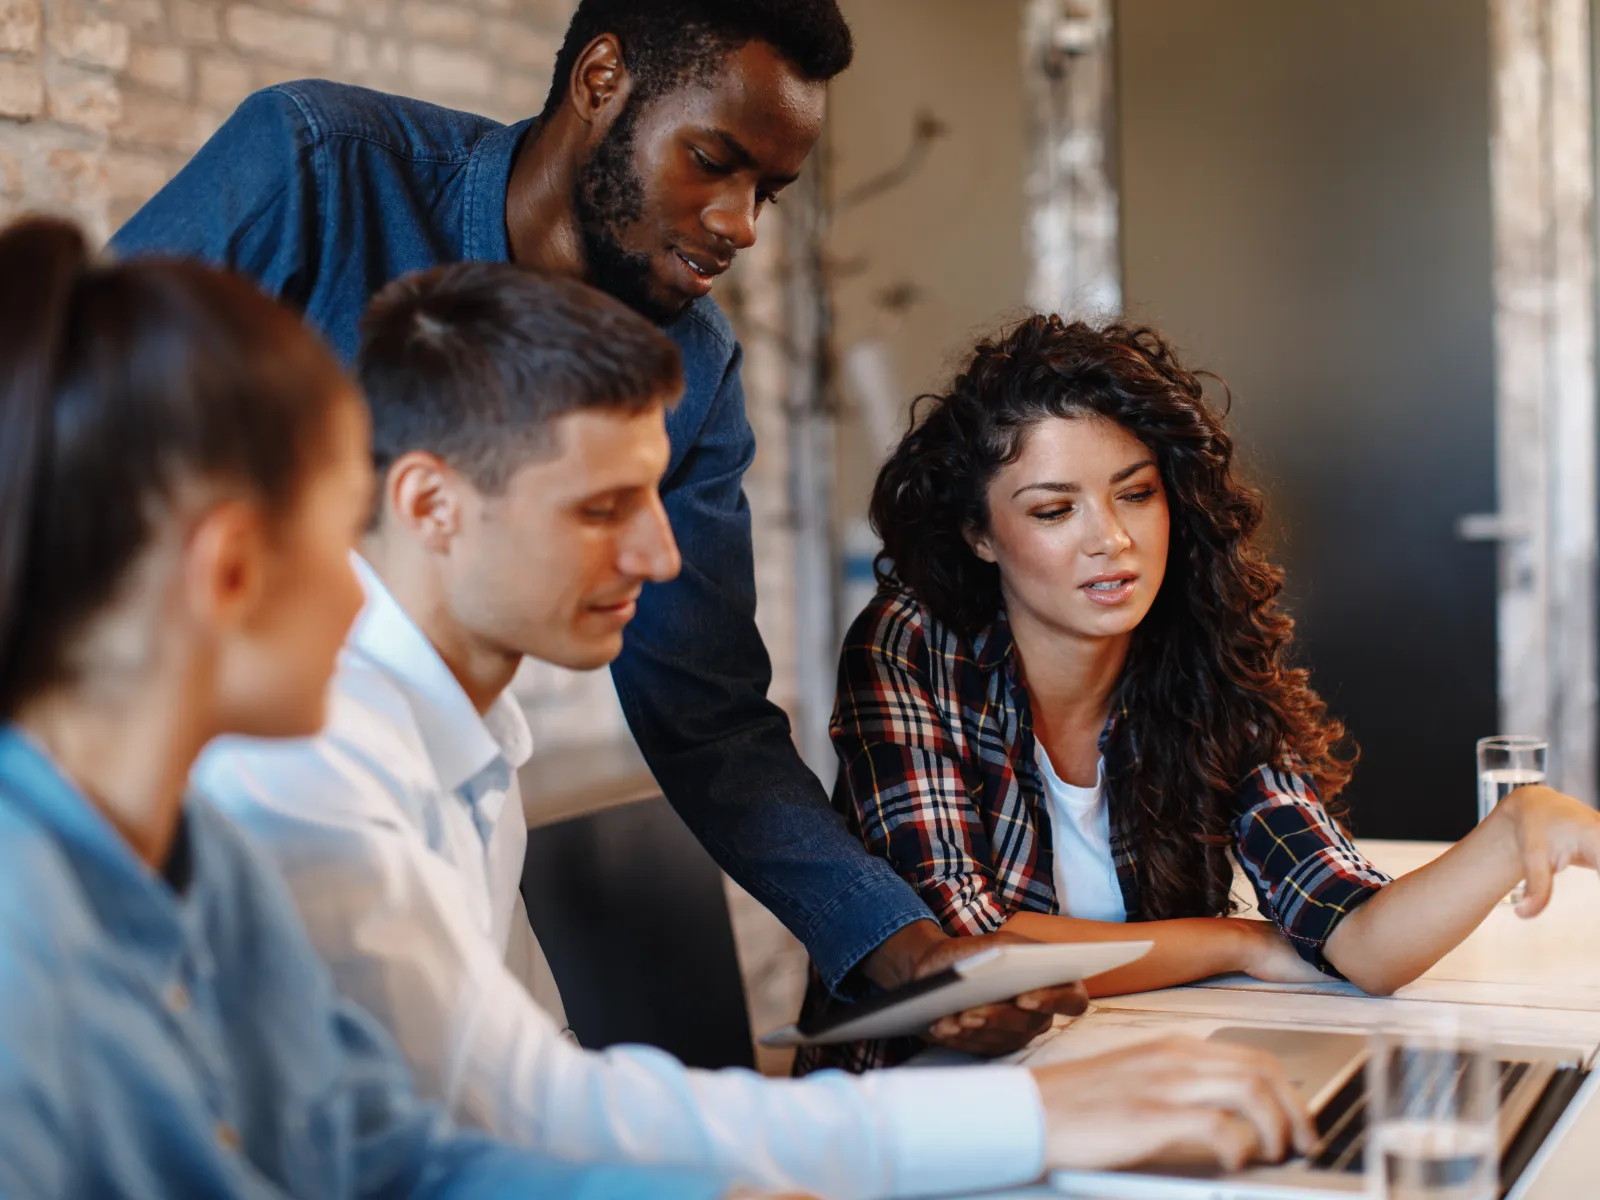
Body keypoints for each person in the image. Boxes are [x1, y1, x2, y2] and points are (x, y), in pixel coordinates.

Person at [194, 263, 1314, 1198]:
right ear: (432, 505)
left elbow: (540, 1086)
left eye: (655, 499)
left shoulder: (456, 726)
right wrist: (1022, 1118)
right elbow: (508, 1113)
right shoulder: (311, 759)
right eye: (600, 510)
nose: (661, 556)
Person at [105, 0, 1075, 1046]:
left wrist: (904, 949)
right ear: (601, 79)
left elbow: (703, 708)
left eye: (770, 192)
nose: (740, 223)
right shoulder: (319, 170)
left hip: (439, 833)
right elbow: (61, 443)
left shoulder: (692, 365)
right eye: (713, 160)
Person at [0, 216, 725, 1199]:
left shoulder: (208, 867)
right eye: (343, 526)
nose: (361, 592)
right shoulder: (24, 950)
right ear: (231, 570)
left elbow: (384, 1153)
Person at [798, 314, 1600, 1074]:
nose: (1109, 538)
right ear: (979, 534)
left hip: (1135, 1074)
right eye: (1053, 509)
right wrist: (1235, 942)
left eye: (1136, 493)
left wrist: (1510, 832)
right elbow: (967, 953)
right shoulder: (910, 644)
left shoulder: (1200, 651)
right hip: (920, 1105)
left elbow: (1356, 936)